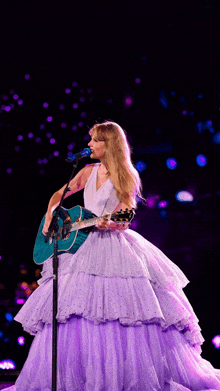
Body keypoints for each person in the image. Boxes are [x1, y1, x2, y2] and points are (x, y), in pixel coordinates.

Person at [3, 121, 220, 390]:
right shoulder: (86, 171)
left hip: (114, 245)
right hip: (82, 245)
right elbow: (60, 193)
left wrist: (114, 222)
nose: (90, 145)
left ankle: (119, 375)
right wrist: (50, 215)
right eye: (91, 140)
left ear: (109, 144)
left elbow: (126, 214)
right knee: (76, 309)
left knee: (120, 310)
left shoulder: (125, 175)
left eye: (95, 140)